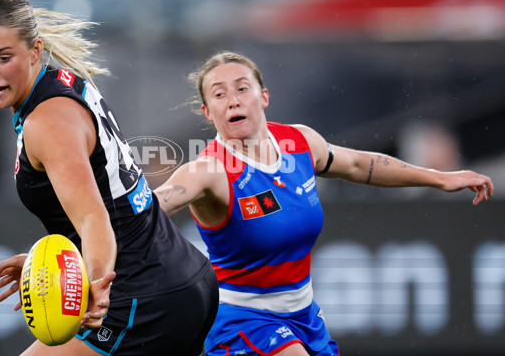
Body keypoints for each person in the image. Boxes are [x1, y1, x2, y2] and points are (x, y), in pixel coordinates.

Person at [154, 51, 494, 356]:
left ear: (264, 96)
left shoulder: (299, 141)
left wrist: (439, 177)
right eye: (219, 94)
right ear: (207, 112)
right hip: (241, 320)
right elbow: (151, 208)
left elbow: (360, 165)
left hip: (304, 316)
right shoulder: (209, 170)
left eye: (243, 88)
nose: (233, 100)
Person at [0, 0, 218, 356]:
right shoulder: (60, 83)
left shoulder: (46, 122)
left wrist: (97, 283)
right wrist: (57, 265)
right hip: (182, 277)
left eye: (3, 58)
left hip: (139, 296)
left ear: (35, 50)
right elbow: (110, 202)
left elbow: (93, 217)